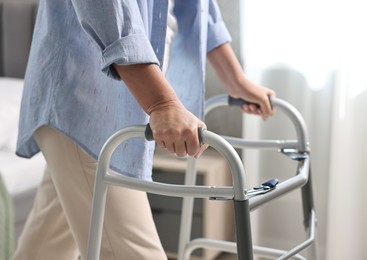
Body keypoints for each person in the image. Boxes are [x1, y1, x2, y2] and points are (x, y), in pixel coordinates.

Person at [13, 0, 275, 259]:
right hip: (82, 106)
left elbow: (195, 6)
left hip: (114, 106)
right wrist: (162, 103)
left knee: (44, 248)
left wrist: (235, 79)